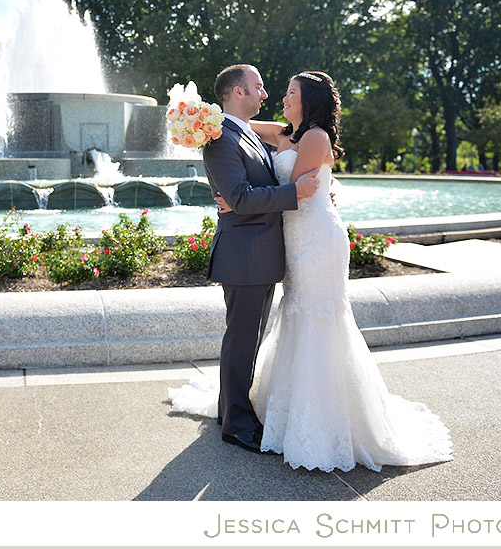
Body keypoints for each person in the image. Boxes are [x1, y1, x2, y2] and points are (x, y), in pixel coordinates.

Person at [171, 70, 453, 472]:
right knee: (267, 328)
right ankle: (240, 417)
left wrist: (257, 197)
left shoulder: (313, 136)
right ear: (239, 92)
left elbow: (302, 190)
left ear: (309, 100)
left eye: (289, 92)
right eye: (267, 88)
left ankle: (314, 413)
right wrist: (205, 121)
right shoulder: (271, 133)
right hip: (278, 244)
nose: (276, 96)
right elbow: (261, 159)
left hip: (315, 240)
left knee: (315, 321)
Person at [194, 64, 320, 454]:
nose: (265, 94)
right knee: (242, 340)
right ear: (237, 92)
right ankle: (236, 424)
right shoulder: (219, 139)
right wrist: (295, 192)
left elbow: (246, 192)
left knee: (246, 339)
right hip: (245, 256)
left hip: (257, 253)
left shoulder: (240, 131)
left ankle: (229, 411)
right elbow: (242, 198)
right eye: (258, 87)